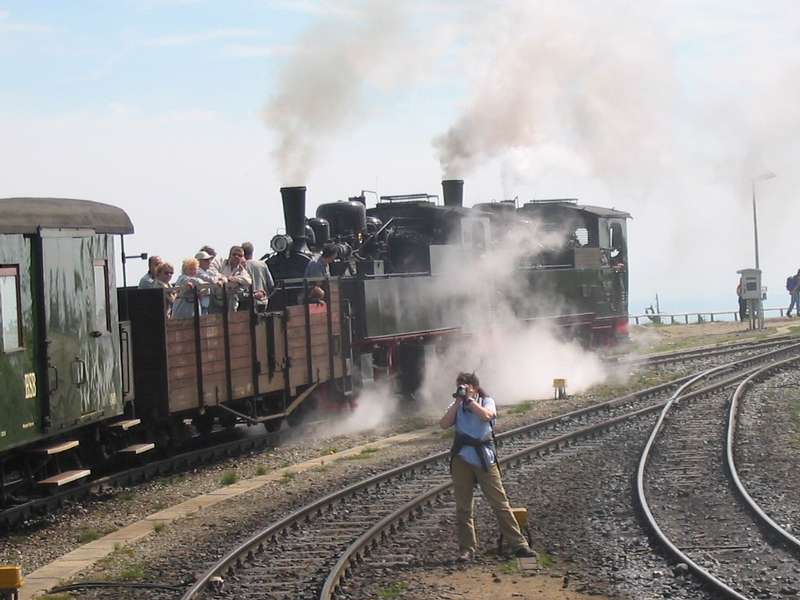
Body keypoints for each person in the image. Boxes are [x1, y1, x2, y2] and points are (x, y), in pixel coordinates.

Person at [439, 372, 536, 562]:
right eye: (459, 385)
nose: (462, 389)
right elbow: (444, 424)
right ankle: (466, 549)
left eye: (466, 386)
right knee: (463, 508)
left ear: (474, 388)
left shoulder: (486, 401)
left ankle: (519, 544)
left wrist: (470, 401)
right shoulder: (456, 406)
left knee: (500, 503)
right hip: (462, 458)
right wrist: (459, 403)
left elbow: (486, 416)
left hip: (484, 458)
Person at [242, 241, 274, 310]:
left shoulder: (242, 266)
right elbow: (271, 285)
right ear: (252, 251)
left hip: (248, 302)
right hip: (263, 302)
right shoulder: (263, 265)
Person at [220, 245, 252, 312]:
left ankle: (232, 317)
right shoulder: (222, 265)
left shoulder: (241, 269)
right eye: (234, 254)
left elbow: (249, 281)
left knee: (233, 295)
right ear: (230, 255)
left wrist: (235, 279)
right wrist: (225, 279)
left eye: (240, 255)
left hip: (233, 296)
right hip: (219, 295)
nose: (236, 257)